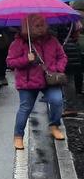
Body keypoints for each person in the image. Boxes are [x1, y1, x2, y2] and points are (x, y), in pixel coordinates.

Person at [8, 14, 68, 148]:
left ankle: (54, 125)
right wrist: (26, 60)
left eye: (43, 25)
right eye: (37, 26)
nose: (41, 29)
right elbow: (10, 62)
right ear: (28, 27)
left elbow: (62, 56)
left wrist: (57, 69)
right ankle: (18, 136)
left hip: (49, 80)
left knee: (57, 100)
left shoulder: (52, 40)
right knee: (25, 108)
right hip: (28, 82)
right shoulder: (19, 43)